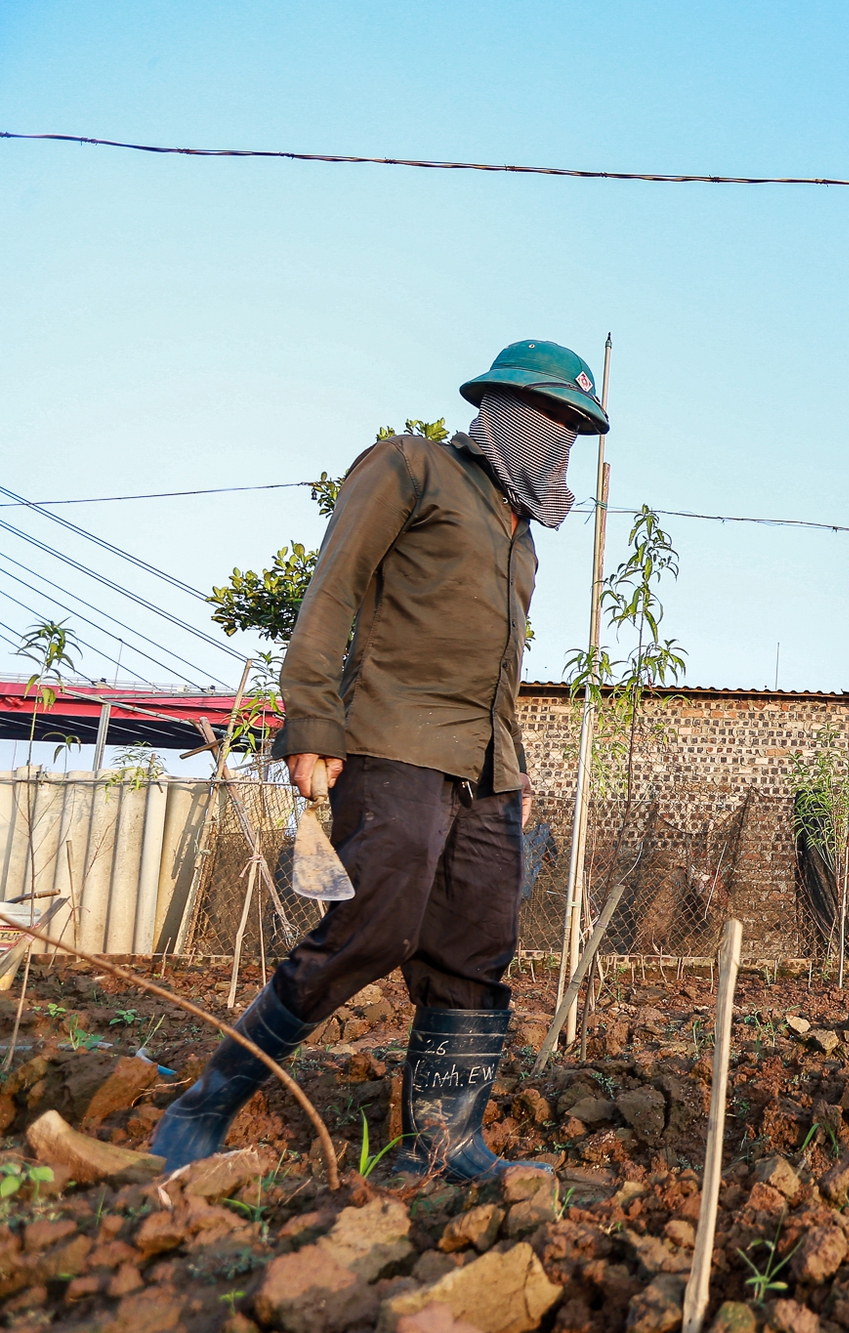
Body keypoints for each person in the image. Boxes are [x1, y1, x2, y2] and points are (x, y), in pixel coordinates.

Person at [152, 340, 608, 1182]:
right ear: (502, 408)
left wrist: (517, 768)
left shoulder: (522, 539)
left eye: (575, 426)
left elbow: (500, 669)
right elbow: (333, 587)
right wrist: (312, 721)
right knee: (376, 924)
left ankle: (441, 1146)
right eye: (551, 416)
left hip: (487, 770)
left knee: (478, 945)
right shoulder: (413, 467)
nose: (561, 438)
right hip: (395, 738)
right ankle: (207, 1101)